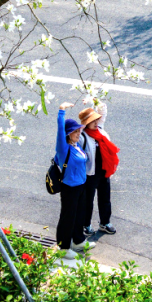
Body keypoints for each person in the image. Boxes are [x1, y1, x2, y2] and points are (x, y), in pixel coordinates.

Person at [78, 103, 120, 237]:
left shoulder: (100, 130)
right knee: (88, 201)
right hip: (90, 175)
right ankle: (86, 225)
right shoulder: (82, 137)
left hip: (103, 172)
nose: (96, 122)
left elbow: (103, 111)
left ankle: (105, 223)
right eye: (92, 121)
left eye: (97, 119)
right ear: (86, 123)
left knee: (105, 199)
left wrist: (96, 100)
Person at [54, 102, 89, 260]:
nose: (78, 133)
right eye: (74, 131)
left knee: (79, 214)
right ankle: (63, 247)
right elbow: (60, 131)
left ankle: (78, 240)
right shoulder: (64, 148)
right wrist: (62, 111)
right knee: (68, 217)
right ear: (68, 134)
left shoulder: (76, 146)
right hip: (70, 188)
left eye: (78, 130)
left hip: (80, 186)